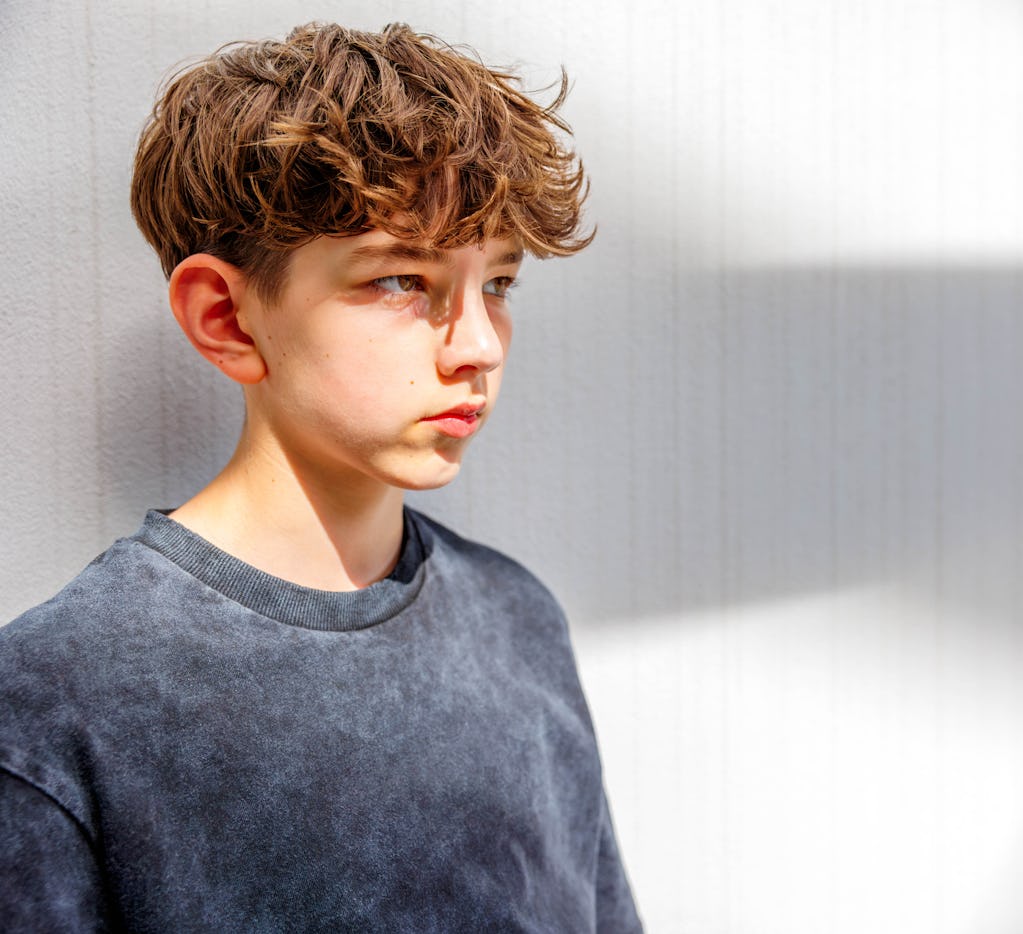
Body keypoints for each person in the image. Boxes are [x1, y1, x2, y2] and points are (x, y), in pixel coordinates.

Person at [0, 22, 643, 932]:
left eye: (498, 283)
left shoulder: (517, 621)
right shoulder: (56, 698)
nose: (476, 347)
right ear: (225, 316)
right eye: (400, 282)